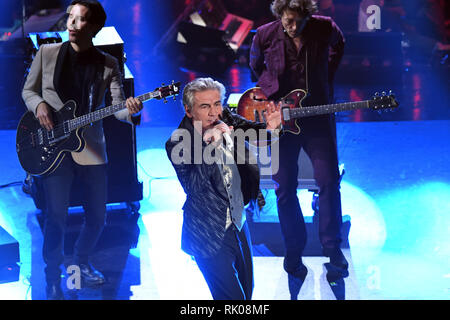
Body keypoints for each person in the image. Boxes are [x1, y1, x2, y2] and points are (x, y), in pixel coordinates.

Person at [22, 0, 143, 299]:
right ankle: (52, 275)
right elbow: (29, 90)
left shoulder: (108, 64)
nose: (73, 24)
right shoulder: (47, 54)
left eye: (81, 20)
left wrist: (133, 110)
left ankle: (82, 261)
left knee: (98, 216)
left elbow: (117, 110)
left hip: (90, 145)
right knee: (56, 215)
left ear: (95, 27)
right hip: (51, 143)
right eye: (70, 18)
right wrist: (38, 106)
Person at [249, 0, 348, 279]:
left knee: (328, 181)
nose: (291, 27)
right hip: (282, 118)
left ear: (308, 15)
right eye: (286, 21)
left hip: (317, 115)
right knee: (284, 186)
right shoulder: (265, 34)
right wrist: (271, 94)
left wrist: (325, 79)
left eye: (297, 21)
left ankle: (332, 249)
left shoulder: (325, 27)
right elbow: (255, 65)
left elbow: (339, 46)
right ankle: (294, 249)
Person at [165, 77, 281, 300]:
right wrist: (212, 146)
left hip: (238, 222)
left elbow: (252, 131)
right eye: (205, 106)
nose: (214, 113)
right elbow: (193, 186)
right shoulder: (178, 143)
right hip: (208, 234)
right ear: (189, 111)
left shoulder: (225, 118)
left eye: (217, 104)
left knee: (247, 293)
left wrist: (271, 128)